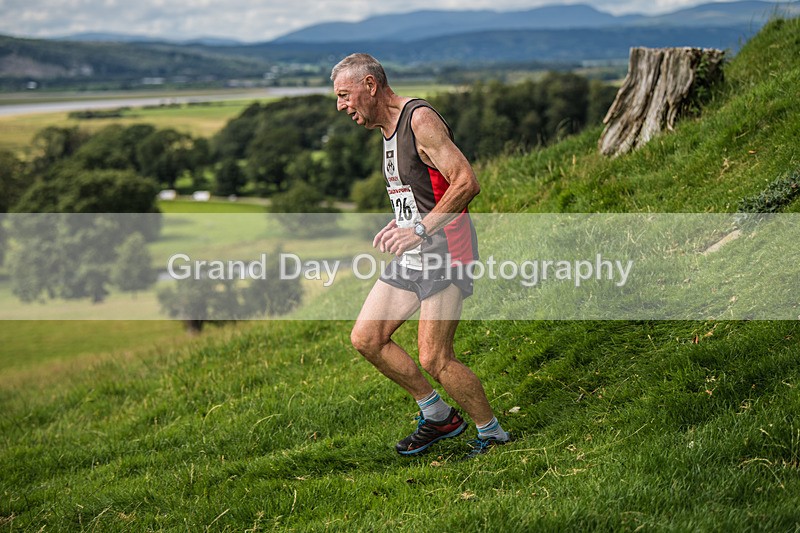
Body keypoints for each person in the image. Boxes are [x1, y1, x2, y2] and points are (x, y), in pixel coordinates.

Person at [331, 53, 511, 457]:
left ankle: (492, 434)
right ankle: (438, 416)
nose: (341, 105)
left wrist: (419, 228)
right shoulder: (386, 126)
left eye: (345, 95)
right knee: (367, 338)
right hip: (416, 248)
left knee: (436, 357)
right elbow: (419, 191)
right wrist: (402, 223)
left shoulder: (419, 120)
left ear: (371, 86)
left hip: (448, 249)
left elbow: (466, 182)